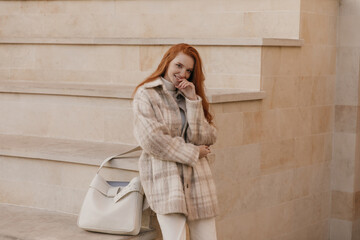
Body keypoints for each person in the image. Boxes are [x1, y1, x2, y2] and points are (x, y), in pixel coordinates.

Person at [132, 43, 218, 240]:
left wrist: (193, 101)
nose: (183, 74)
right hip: (166, 180)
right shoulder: (146, 94)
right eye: (178, 66)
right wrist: (194, 152)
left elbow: (207, 138)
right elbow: (152, 140)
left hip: (198, 181)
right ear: (167, 62)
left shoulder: (190, 95)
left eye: (188, 70)